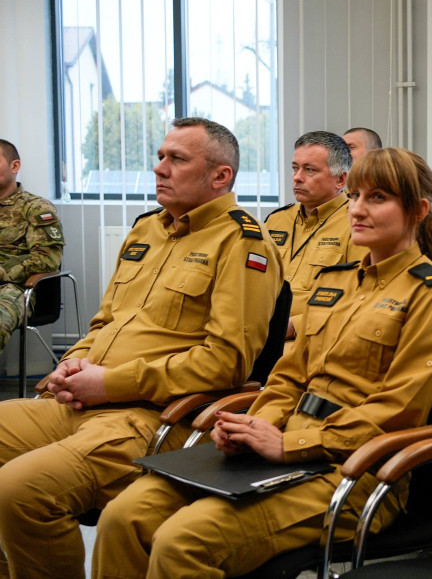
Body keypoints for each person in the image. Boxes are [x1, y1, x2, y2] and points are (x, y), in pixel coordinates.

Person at [92, 147, 432, 578]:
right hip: (279, 444)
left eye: (378, 198)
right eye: (356, 196)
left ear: (418, 210)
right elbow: (288, 377)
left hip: (353, 470)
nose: (358, 210)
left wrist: (290, 446)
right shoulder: (336, 282)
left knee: (184, 542)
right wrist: (256, 427)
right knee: (124, 517)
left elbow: (396, 412)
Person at [0, 118, 284, 577]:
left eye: (177, 159)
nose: (159, 168)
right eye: (159, 156)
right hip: (79, 399)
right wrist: (73, 363)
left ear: (220, 176)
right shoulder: (147, 231)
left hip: (150, 415)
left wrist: (109, 383)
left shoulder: (242, 243)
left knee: (19, 489)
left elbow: (225, 363)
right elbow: (106, 321)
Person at [264, 132, 368, 333]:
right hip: (258, 335)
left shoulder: (358, 223)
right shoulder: (276, 220)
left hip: (314, 339)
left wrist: (296, 326)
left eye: (309, 170)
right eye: (295, 168)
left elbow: (361, 298)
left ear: (340, 179)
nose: (297, 178)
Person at [0, 139, 65, 354]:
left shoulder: (36, 208)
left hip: (15, 289)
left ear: (14, 166)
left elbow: (46, 260)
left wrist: (3, 273)